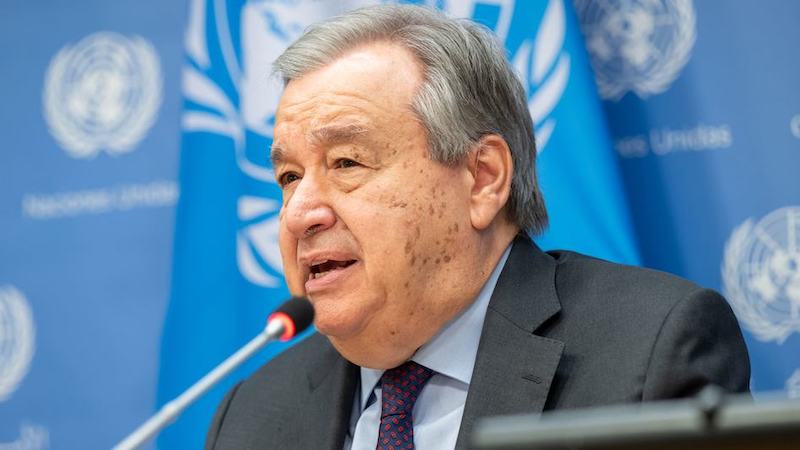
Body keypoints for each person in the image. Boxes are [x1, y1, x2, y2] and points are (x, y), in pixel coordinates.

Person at [205, 5, 749, 450]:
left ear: (482, 178)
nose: (299, 213)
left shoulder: (648, 353)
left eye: (347, 163)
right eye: (288, 177)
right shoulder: (252, 416)